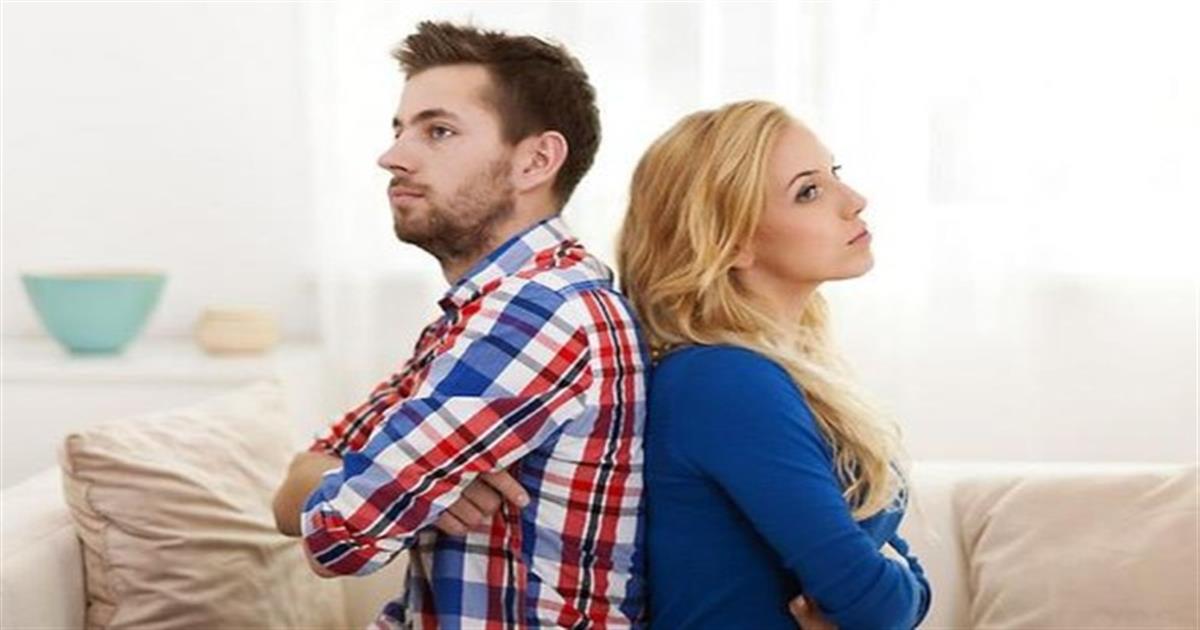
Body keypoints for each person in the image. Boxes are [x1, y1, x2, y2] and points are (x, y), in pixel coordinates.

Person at [271, 22, 649, 629]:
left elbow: (335, 536)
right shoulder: (481, 313)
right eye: (399, 130)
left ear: (535, 161)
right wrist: (412, 482)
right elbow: (294, 486)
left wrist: (397, 482)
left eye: (438, 131)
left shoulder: (539, 313)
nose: (393, 156)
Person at [616, 100, 932, 629]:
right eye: (809, 191)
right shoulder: (723, 381)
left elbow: (889, 586)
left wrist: (901, 585)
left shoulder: (778, 372)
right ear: (732, 242)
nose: (854, 201)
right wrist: (902, 586)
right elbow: (877, 605)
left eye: (834, 174)